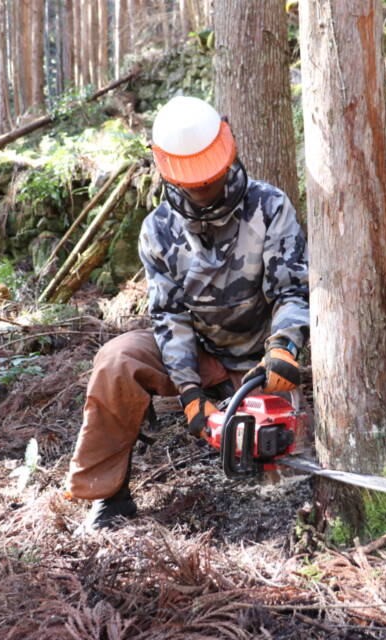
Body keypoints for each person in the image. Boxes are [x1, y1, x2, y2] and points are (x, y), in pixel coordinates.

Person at [65, 96, 310, 530]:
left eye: (210, 181)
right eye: (194, 184)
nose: (203, 190)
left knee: (284, 457)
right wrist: (190, 392)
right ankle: (108, 496)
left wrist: (286, 346)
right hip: (201, 352)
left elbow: (291, 289)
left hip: (264, 355)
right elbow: (169, 317)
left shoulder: (269, 207)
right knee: (118, 360)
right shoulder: (157, 230)